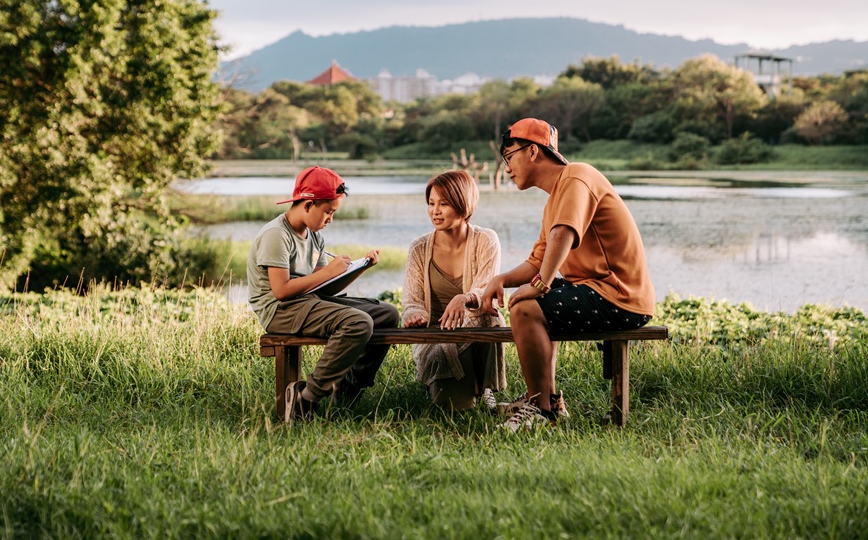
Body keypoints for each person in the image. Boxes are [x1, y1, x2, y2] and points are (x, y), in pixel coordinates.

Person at [480, 118, 655, 431]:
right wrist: (501, 280)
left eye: (509, 157)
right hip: (597, 292)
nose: (507, 168)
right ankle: (547, 401)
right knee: (528, 300)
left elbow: (563, 235)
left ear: (532, 151)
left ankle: (539, 408)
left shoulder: (577, 175)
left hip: (619, 296)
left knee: (524, 306)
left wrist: (541, 285)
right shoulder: (555, 200)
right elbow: (538, 260)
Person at [246, 165, 400, 422]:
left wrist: (358, 269)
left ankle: (349, 388)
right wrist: (328, 272)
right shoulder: (277, 235)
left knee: (386, 314)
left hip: (307, 302)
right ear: (307, 205)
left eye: (334, 213)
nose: (331, 219)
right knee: (359, 323)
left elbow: (323, 287)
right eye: (328, 212)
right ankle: (307, 398)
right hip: (280, 311)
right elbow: (281, 291)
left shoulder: (314, 235)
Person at [401, 170, 506, 411]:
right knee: (456, 406)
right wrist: (416, 315)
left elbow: (486, 290)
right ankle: (447, 385)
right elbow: (411, 301)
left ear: (462, 205)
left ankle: (484, 386)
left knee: (489, 318)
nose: (434, 211)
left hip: (475, 325)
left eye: (444, 204)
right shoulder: (419, 248)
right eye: (431, 203)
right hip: (437, 335)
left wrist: (466, 298)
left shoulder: (486, 240)